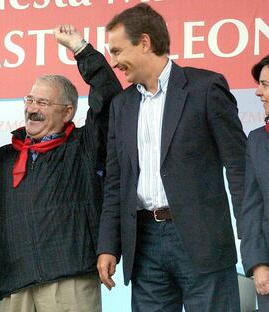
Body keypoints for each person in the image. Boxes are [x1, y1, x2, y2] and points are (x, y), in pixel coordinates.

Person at [96, 3, 246, 312]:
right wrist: (109, 245)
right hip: (144, 243)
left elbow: (239, 168)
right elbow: (115, 183)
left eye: (117, 51)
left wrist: (253, 240)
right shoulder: (121, 106)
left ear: (146, 43)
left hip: (203, 241)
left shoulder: (205, 88)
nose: (114, 62)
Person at [0, 25, 122, 312]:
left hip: (69, 284)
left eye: (42, 102)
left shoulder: (84, 146)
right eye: (29, 100)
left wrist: (81, 49)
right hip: (13, 289)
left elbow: (109, 97)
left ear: (68, 111)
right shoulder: (1, 160)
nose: (32, 109)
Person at [240, 55, 269, 311]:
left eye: (266, 85)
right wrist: (258, 263)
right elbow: (252, 208)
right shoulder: (257, 140)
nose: (258, 92)